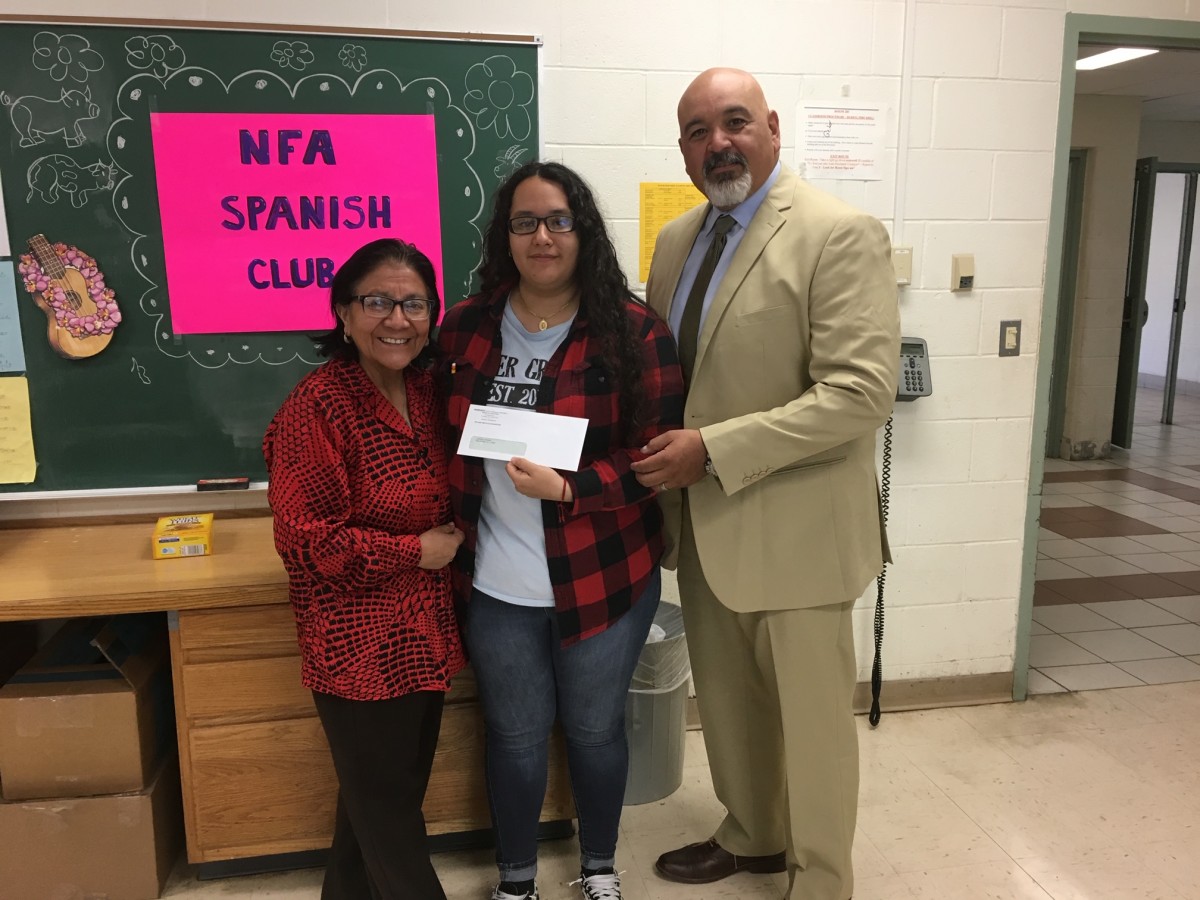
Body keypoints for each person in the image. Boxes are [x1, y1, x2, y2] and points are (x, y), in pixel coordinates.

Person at [630, 68, 901, 900]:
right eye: (697, 131)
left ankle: (821, 879)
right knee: (732, 705)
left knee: (813, 727)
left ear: (772, 128)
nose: (718, 143)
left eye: (734, 122)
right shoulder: (677, 243)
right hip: (705, 524)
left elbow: (860, 393)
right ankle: (751, 834)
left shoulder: (838, 232)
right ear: (682, 149)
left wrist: (710, 449)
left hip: (800, 530)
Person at [438, 161, 685, 900]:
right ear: (504, 237)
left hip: (605, 572)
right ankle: (516, 882)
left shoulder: (636, 332)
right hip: (495, 579)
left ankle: (600, 871)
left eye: (558, 221)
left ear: (583, 232)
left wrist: (571, 488)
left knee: (594, 731)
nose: (542, 236)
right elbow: (435, 435)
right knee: (513, 737)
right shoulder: (465, 325)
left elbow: (657, 457)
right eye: (525, 222)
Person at [263, 238, 465, 900]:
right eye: (376, 301)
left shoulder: (433, 392)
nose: (397, 319)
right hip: (355, 648)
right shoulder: (317, 406)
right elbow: (303, 541)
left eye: (413, 303)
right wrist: (416, 552)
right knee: (391, 821)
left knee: (375, 808)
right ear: (343, 314)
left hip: (425, 636)